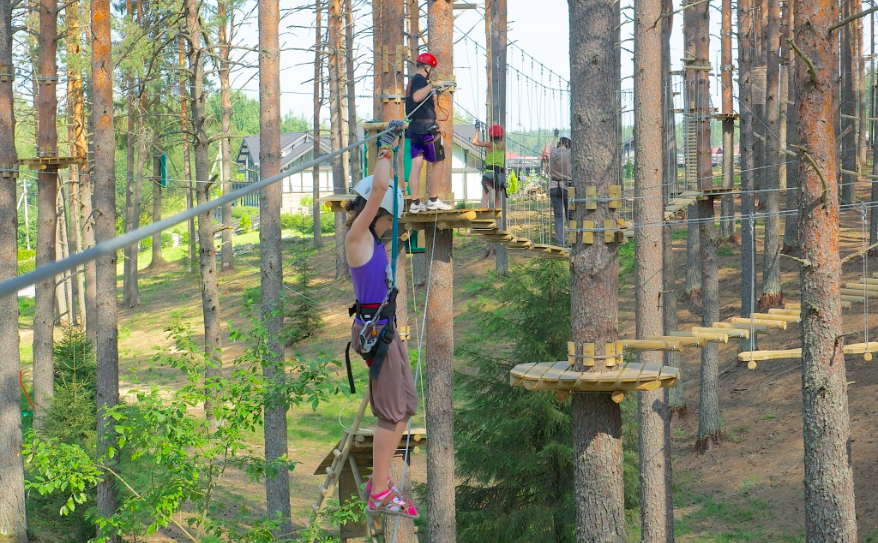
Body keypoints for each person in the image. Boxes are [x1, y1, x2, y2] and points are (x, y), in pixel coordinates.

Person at [345, 121, 419, 519]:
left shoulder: (375, 240)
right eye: (391, 219)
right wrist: (387, 147)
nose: (392, 226)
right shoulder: (358, 236)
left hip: (384, 329)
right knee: (390, 411)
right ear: (377, 215)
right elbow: (378, 190)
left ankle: (383, 484)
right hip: (375, 331)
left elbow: (387, 193)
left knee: (404, 405)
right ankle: (378, 492)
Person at [405, 51, 452, 213]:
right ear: (426, 67)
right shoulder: (419, 80)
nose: (432, 73)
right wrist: (432, 86)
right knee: (438, 161)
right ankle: (433, 199)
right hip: (426, 129)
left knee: (417, 164)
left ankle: (415, 202)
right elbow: (417, 97)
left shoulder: (412, 81)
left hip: (415, 128)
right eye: (431, 69)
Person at [545, 129, 572, 246]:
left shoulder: (552, 151)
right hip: (566, 187)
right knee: (570, 216)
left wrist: (555, 135)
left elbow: (551, 146)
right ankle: (572, 242)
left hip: (553, 187)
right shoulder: (570, 152)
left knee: (558, 216)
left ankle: (560, 243)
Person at [472, 122, 507, 209]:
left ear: (491, 136)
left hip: (489, 174)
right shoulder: (503, 146)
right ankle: (499, 222)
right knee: (497, 201)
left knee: (485, 199)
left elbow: (475, 142)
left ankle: (484, 220)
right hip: (499, 175)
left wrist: (477, 129)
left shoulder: (490, 145)